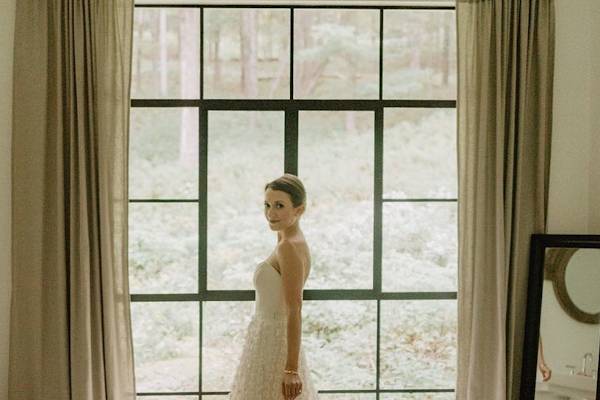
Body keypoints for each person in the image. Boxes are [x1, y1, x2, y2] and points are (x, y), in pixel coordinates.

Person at [229, 173, 319, 400]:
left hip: (276, 344)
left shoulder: (289, 246)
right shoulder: (285, 239)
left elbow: (294, 310)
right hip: (265, 338)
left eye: (279, 206)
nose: (270, 213)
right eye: (267, 205)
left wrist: (291, 370)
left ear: (299, 209)